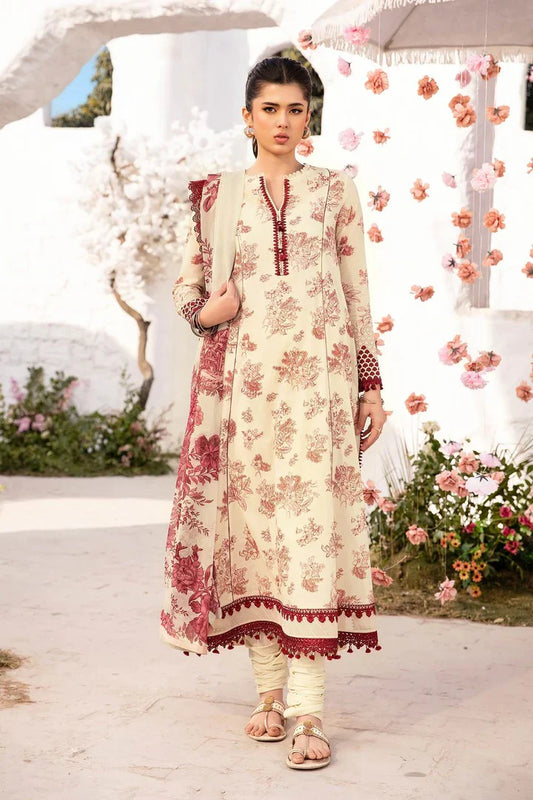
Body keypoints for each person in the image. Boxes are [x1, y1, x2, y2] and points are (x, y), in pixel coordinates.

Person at [160, 56, 386, 770]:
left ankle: (310, 708)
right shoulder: (215, 197)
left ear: (308, 117)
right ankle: (267, 696)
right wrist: (205, 313)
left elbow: (356, 293)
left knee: (310, 533)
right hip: (244, 397)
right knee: (255, 536)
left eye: (295, 109)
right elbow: (187, 287)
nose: (283, 122)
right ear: (247, 116)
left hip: (318, 395)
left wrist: (370, 386)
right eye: (270, 109)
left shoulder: (334, 192)